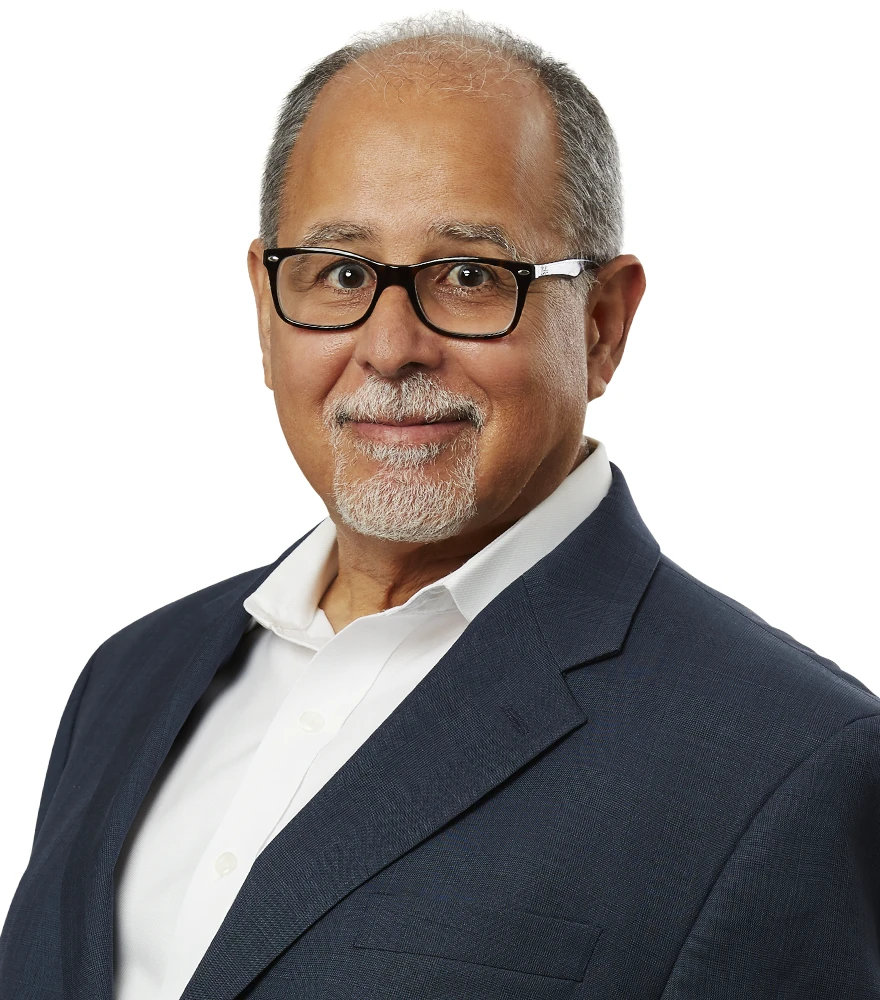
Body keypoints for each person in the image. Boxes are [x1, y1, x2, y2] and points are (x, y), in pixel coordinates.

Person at [2, 12, 878, 1000]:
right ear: (263, 304)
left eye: (468, 275)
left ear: (602, 323)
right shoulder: (130, 677)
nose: (389, 347)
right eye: (338, 273)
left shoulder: (787, 768)